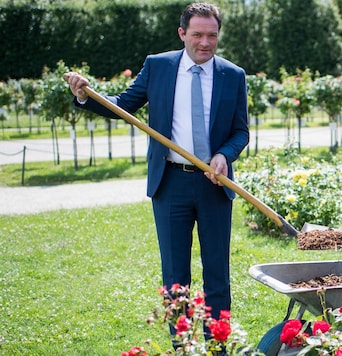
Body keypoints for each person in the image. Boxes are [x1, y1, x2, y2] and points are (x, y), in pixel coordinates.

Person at [63, 2, 249, 330]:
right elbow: (122, 106)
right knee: (176, 278)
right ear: (182, 33)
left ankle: (218, 348)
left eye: (212, 35)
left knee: (217, 276)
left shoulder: (233, 75)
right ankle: (183, 347)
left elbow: (240, 131)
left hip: (215, 185)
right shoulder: (158, 67)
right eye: (197, 35)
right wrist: (85, 96)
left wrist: (224, 155)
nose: (205, 42)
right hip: (170, 184)